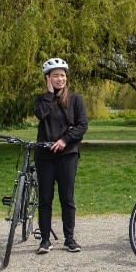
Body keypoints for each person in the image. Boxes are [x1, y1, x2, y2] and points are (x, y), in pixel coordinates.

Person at [34, 57, 88, 254]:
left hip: (67, 155)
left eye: (62, 75)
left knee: (67, 197)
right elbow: (40, 114)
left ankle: (69, 239)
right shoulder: (41, 99)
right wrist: (49, 95)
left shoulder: (75, 100)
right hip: (44, 155)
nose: (60, 79)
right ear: (48, 78)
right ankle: (45, 240)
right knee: (45, 198)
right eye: (55, 75)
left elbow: (82, 125)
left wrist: (65, 139)